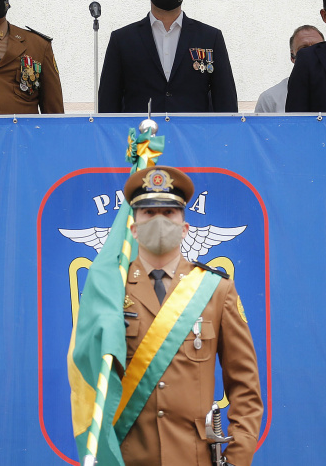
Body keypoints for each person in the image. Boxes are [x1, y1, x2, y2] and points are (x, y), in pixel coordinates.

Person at [119, 166, 263, 466]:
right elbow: (87, 380)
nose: (159, 220)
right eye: (148, 213)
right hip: (126, 456)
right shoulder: (110, 290)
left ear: (185, 227)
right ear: (134, 227)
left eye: (169, 213)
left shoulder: (215, 290)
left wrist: (236, 459)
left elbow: (245, 386)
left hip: (194, 457)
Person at [98, 0, 238, 114]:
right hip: (142, 138)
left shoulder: (210, 38)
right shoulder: (122, 40)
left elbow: (226, 102)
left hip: (193, 137)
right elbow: (107, 104)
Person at [255, 25, 324, 113]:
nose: (311, 53)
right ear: (292, 56)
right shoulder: (270, 98)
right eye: (304, 49)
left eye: (317, 47)